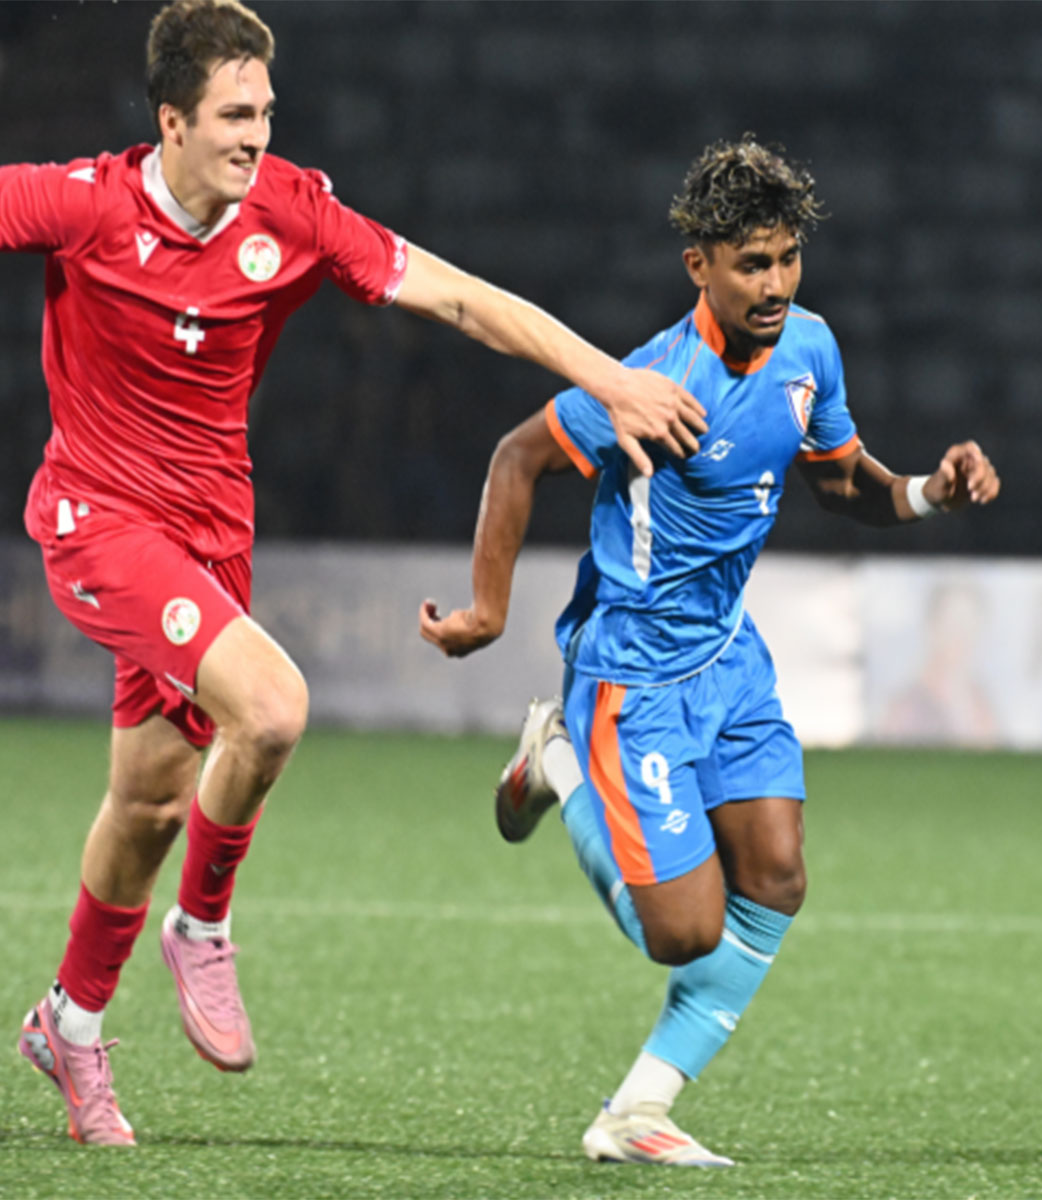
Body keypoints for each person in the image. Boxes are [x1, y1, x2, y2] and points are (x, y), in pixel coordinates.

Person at [6, 0, 706, 1147]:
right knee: (274, 710)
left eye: (267, 113)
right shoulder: (82, 204)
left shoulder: (289, 211)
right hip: (98, 520)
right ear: (170, 122)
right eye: (235, 115)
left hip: (210, 536)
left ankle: (69, 1029)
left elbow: (468, 301)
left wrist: (611, 379)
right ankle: (204, 929)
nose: (256, 136)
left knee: (147, 802)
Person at [420, 135, 1001, 1165]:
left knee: (775, 876)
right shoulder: (652, 381)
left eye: (785, 259)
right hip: (630, 674)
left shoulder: (810, 350)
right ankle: (554, 755)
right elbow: (517, 459)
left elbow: (837, 480)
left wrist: (924, 492)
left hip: (729, 658)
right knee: (680, 933)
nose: (773, 284)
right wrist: (485, 610)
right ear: (700, 265)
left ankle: (637, 1112)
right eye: (750, 264)